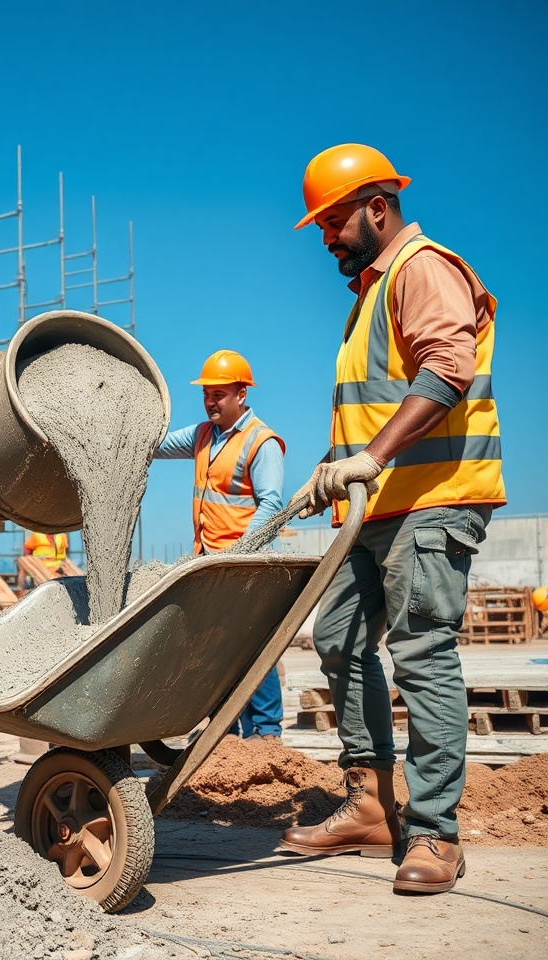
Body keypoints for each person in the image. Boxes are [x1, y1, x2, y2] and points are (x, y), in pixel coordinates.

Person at [279, 144, 505, 895]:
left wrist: (369, 457)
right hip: (375, 505)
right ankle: (372, 804)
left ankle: (435, 832)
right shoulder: (370, 296)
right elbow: (375, 403)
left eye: (334, 221)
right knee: (340, 639)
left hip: (433, 498)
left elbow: (447, 367)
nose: (327, 237)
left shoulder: (422, 270)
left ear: (378, 208)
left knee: (421, 654)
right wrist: (333, 465)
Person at [154, 350, 286, 740]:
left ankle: (266, 735)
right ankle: (225, 732)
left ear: (242, 394)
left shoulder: (261, 442)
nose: (211, 401)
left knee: (252, 649)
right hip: (211, 562)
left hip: (247, 565)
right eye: (207, 394)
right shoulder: (201, 436)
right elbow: (156, 445)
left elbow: (272, 503)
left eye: (219, 395)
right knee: (221, 651)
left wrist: (242, 553)